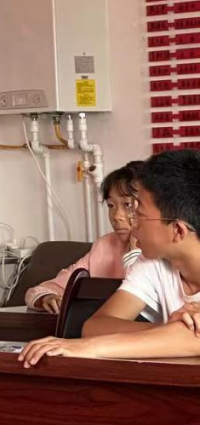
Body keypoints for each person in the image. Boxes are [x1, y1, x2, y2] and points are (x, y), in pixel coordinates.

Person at [19, 149, 200, 367]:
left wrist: (86, 347)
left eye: (140, 215)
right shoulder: (152, 263)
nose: (132, 223)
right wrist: (171, 332)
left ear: (178, 231)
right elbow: (96, 326)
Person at [25, 162, 144, 313]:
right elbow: (44, 289)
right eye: (111, 206)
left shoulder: (165, 248)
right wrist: (46, 297)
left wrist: (134, 251)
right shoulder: (104, 245)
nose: (116, 216)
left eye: (127, 205)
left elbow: (141, 298)